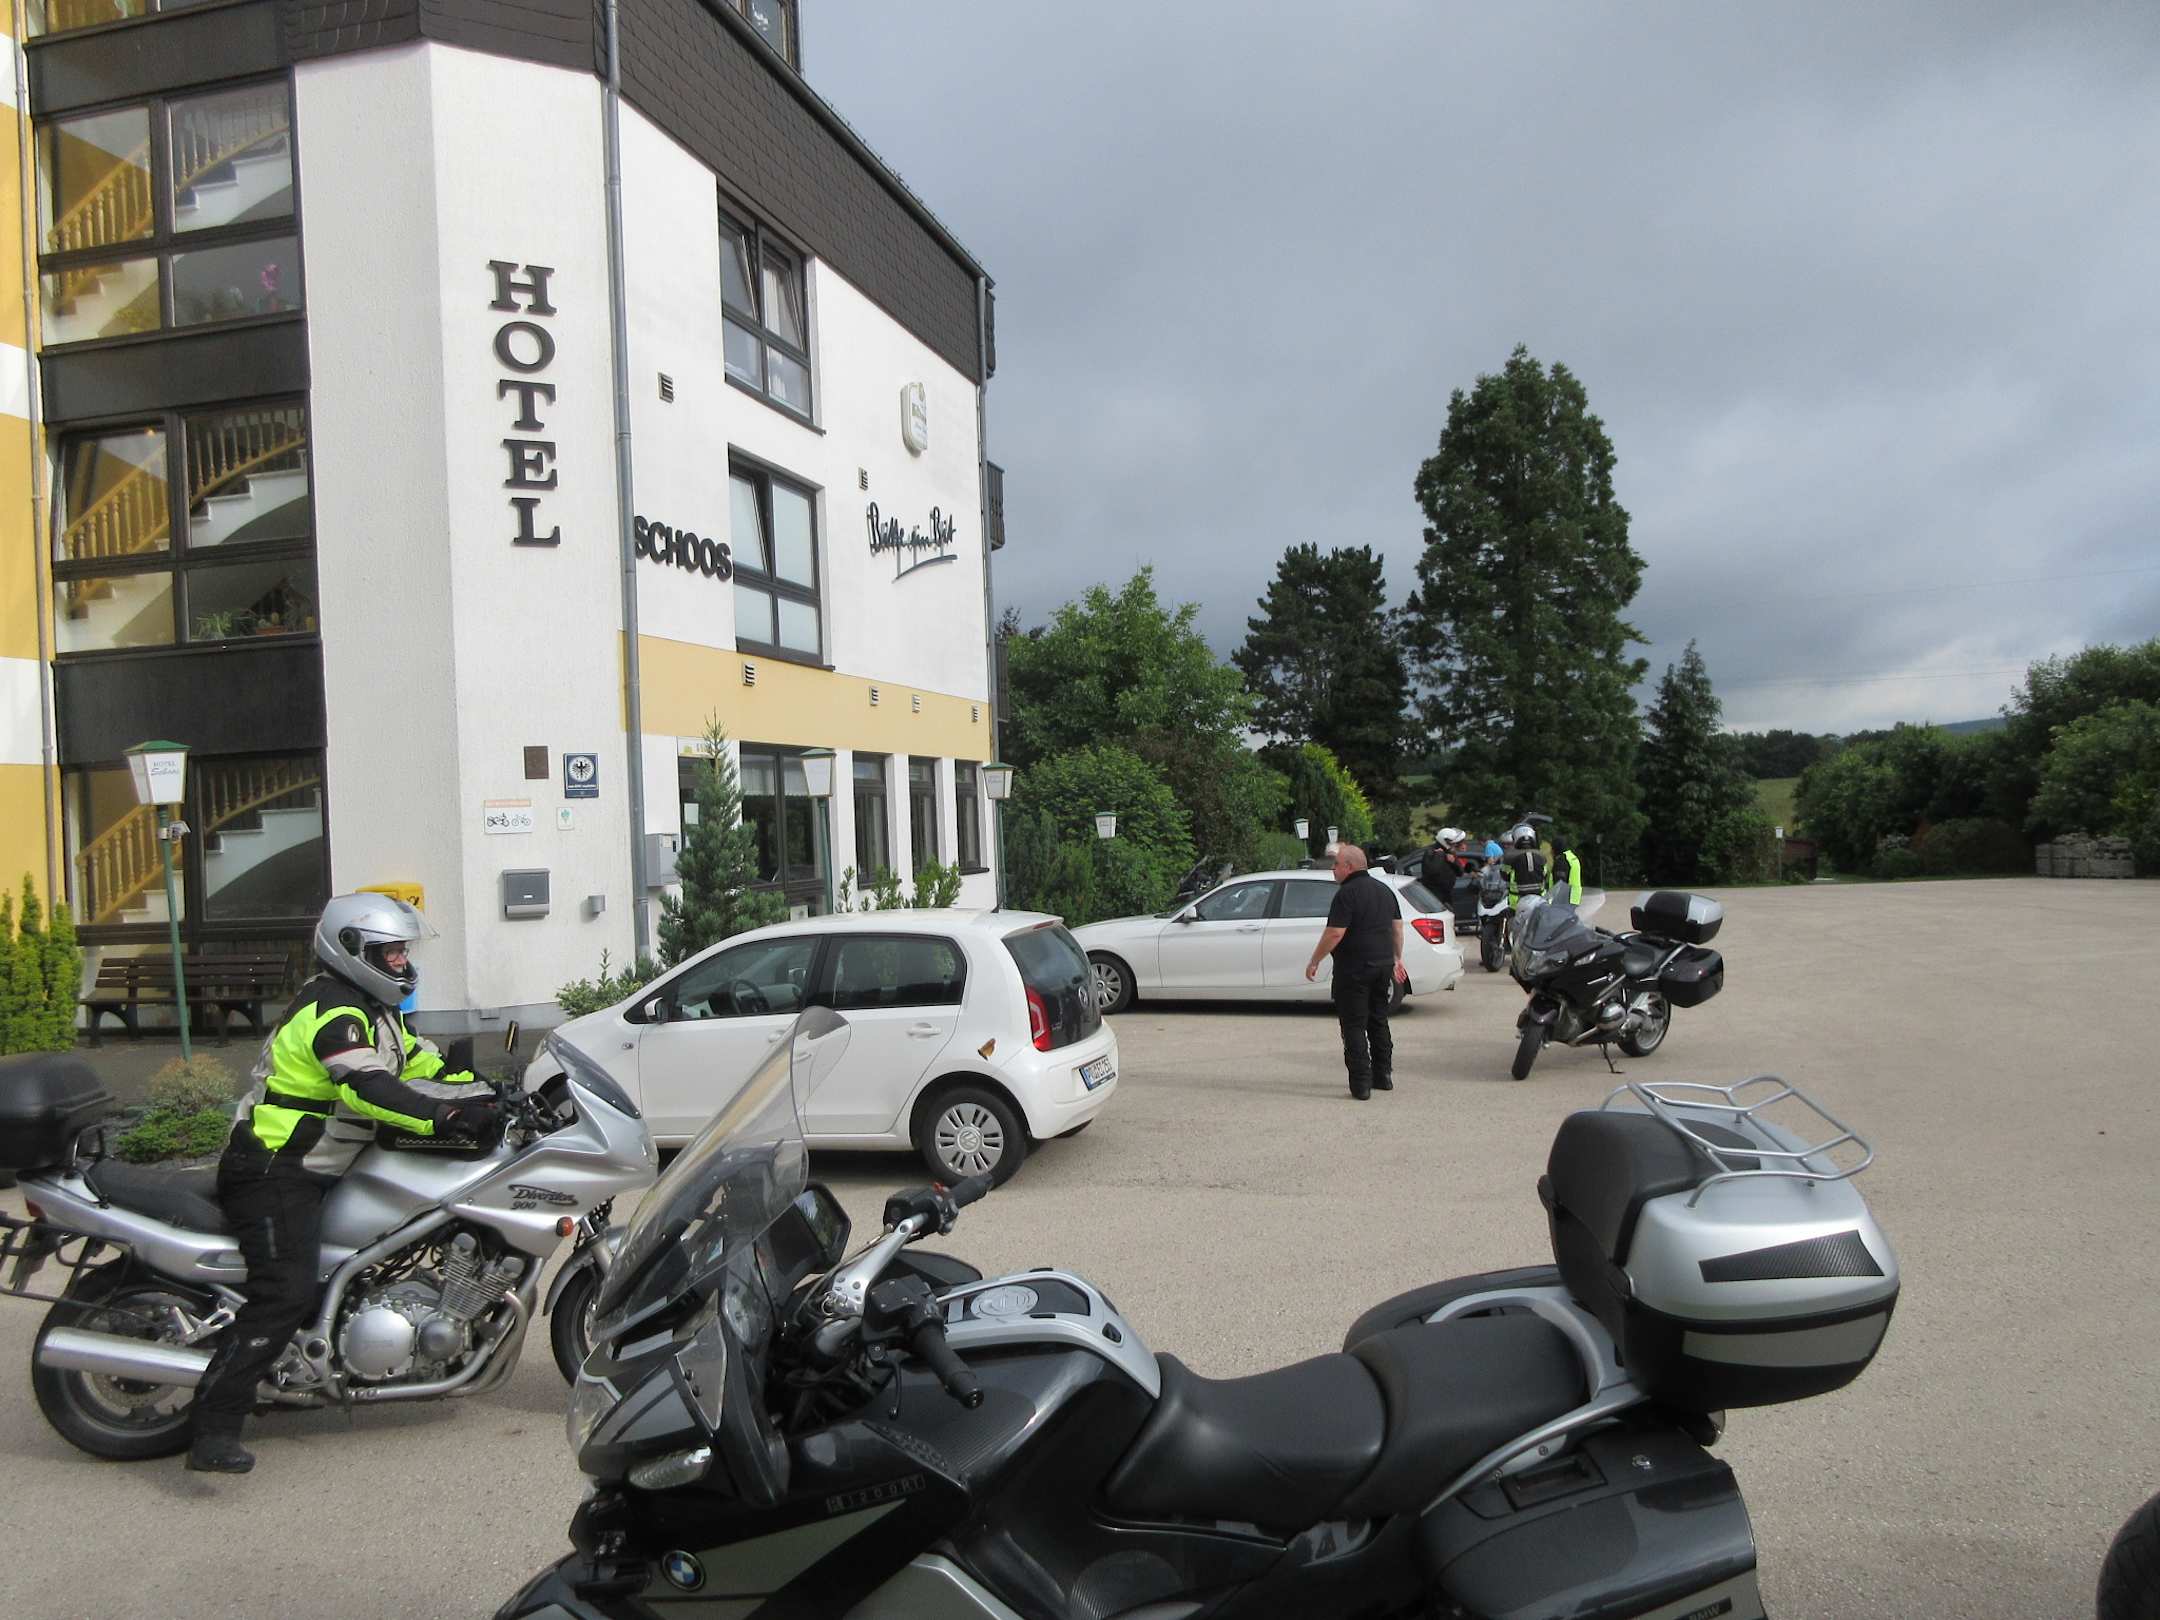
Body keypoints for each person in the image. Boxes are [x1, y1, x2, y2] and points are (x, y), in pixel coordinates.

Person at [187, 894, 498, 1475]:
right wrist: (445, 1117)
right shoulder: (335, 1011)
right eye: (391, 951)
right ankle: (213, 1425)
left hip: (319, 1166)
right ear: (352, 950)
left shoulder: (374, 1011)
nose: (402, 961)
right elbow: (367, 1086)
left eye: (404, 950)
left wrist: (492, 1092)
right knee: (285, 1291)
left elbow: (422, 1066)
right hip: (275, 1169)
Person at [1304, 843, 1407, 1101]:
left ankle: (1361, 1084)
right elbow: (1397, 928)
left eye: (1336, 864)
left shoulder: (1346, 894)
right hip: (1382, 965)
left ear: (1348, 867)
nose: (1333, 869)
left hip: (1354, 969)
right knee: (1378, 1020)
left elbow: (1335, 933)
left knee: (1353, 1025)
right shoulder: (1385, 890)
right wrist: (1397, 958)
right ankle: (1383, 1075)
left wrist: (1315, 960)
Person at [1503, 823, 1550, 908]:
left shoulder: (1510, 856)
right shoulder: (1541, 856)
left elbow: (1504, 875)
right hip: (1539, 898)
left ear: (1516, 837)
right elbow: (1546, 875)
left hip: (1517, 899)